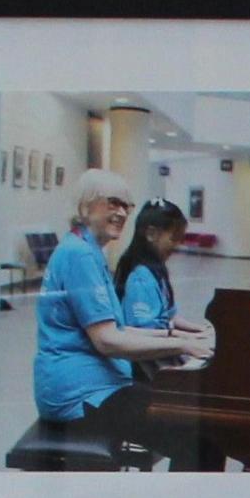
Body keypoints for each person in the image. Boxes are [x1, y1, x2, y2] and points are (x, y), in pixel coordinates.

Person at [31, 168, 213, 435]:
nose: (123, 213)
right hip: (80, 394)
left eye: (127, 206)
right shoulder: (79, 255)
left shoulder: (88, 250)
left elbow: (118, 329)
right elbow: (107, 341)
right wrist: (183, 343)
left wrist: (180, 338)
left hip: (98, 384)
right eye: (113, 203)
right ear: (86, 203)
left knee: (193, 418)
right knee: (194, 428)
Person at [111, 199, 196, 337]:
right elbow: (143, 332)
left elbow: (170, 317)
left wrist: (201, 331)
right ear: (151, 234)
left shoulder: (156, 272)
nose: (177, 246)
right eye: (174, 238)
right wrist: (186, 338)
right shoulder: (140, 278)